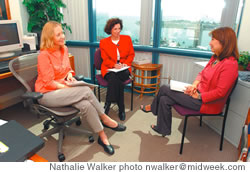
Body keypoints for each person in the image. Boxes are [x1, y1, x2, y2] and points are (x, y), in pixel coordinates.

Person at [35, 21, 126, 155]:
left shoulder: (64, 49)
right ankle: (105, 117)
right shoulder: (44, 55)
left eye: (62, 33)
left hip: (62, 89)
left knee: (86, 105)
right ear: (49, 37)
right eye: (58, 34)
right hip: (47, 94)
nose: (63, 36)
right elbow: (48, 82)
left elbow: (68, 69)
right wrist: (67, 87)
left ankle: (103, 137)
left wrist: (70, 76)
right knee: (85, 90)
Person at [141, 27, 239, 136]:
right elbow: (202, 74)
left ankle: (153, 108)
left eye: (213, 39)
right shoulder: (215, 58)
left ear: (223, 42)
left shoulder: (230, 65)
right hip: (196, 94)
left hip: (206, 103)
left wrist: (199, 96)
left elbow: (221, 92)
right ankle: (163, 129)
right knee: (164, 99)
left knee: (164, 88)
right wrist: (194, 85)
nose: (210, 43)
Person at [99, 18, 135, 121]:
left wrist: (125, 64)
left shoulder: (127, 39)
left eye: (119, 28)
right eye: (115, 29)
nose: (118, 31)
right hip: (109, 69)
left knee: (115, 78)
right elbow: (105, 59)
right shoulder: (104, 42)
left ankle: (107, 104)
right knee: (115, 78)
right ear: (110, 30)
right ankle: (121, 108)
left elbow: (131, 55)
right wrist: (114, 65)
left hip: (124, 69)